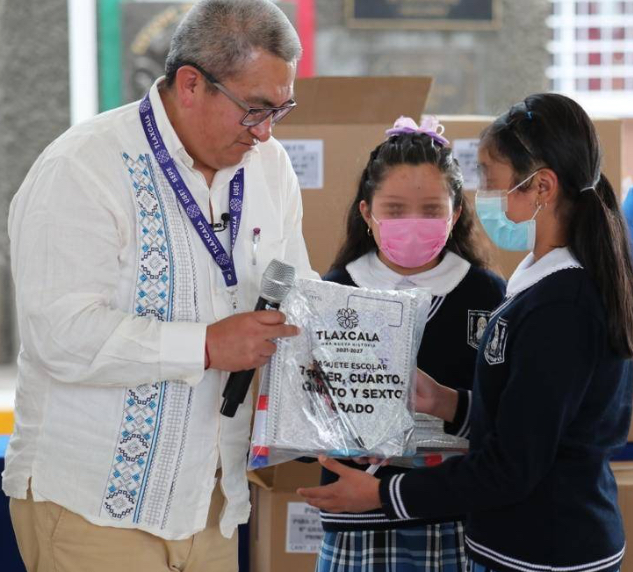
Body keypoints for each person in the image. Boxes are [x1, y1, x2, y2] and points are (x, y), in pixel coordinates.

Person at [4, 1, 317, 571]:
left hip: (213, 500)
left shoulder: (269, 168)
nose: (267, 132)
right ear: (191, 84)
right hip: (93, 508)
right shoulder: (83, 167)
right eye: (255, 109)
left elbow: (297, 289)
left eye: (282, 109)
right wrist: (204, 345)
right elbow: (59, 333)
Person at [299, 94, 633, 572]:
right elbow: (522, 422)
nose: (485, 200)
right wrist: (445, 402)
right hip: (520, 540)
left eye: (491, 184)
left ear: (541, 187)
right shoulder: (540, 291)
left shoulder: (558, 306)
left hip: (544, 547)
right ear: (366, 212)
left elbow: (512, 465)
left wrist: (382, 492)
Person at [316, 116, 505, 572]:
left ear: (456, 212)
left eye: (431, 210)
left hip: (457, 518)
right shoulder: (335, 291)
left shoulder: (487, 294)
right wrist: (333, 439)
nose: (413, 224)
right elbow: (302, 412)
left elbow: (506, 419)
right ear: (367, 213)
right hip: (358, 521)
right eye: (396, 210)